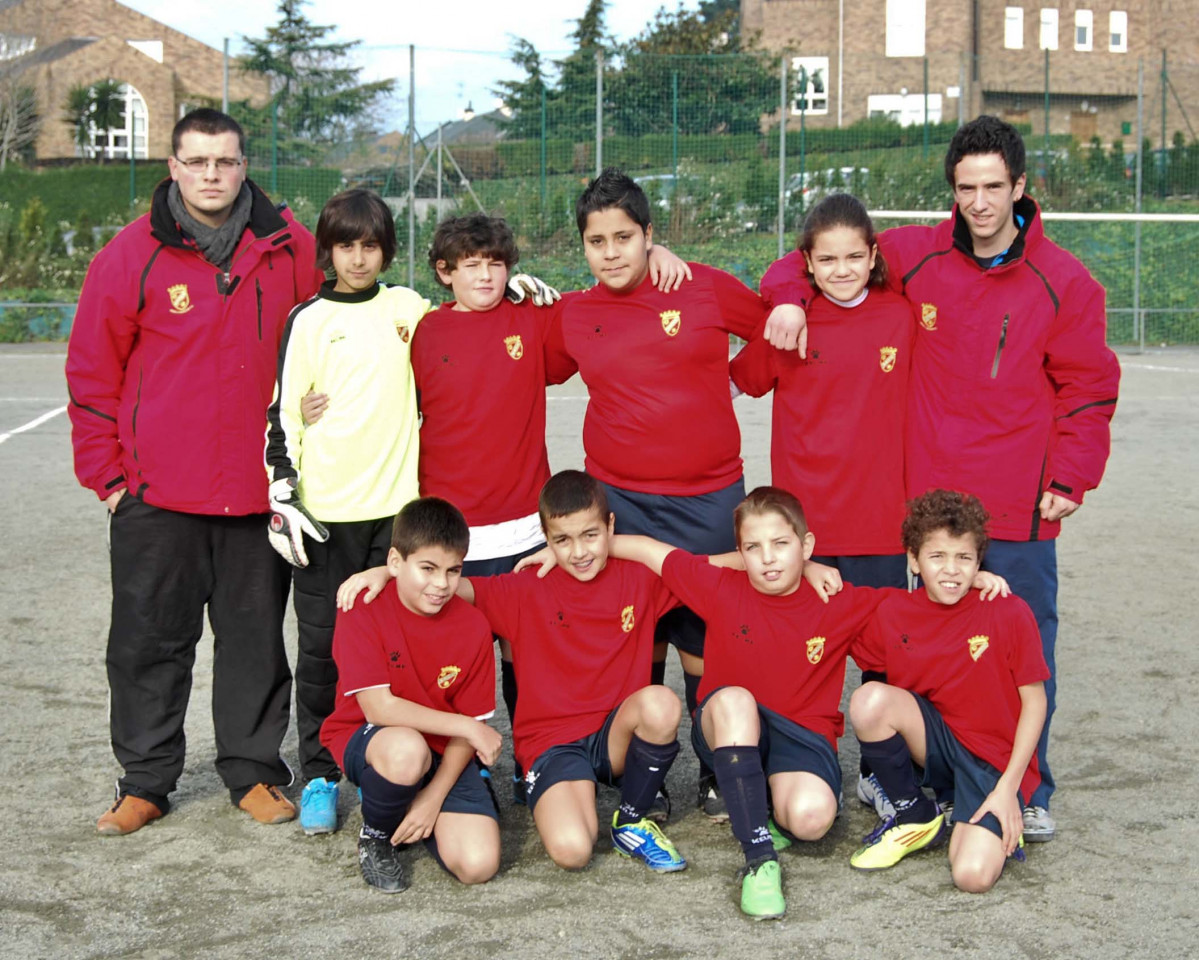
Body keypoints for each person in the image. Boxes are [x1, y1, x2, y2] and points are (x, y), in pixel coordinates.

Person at [760, 116, 1121, 841]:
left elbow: (1087, 386)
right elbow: (812, 258)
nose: (980, 203)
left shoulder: (1066, 282)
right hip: (925, 505)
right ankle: (918, 778)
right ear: (950, 192)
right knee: (924, 647)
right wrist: (785, 298)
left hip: (1018, 501)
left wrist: (1071, 475)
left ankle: (1028, 787)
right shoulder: (913, 255)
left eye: (993, 187)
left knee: (1020, 650)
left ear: (1020, 188)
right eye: (965, 188)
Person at [66, 108, 322, 835]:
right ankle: (146, 781)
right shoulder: (129, 254)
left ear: (245, 167)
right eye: (197, 162)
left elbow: (345, 318)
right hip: (156, 497)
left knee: (253, 642)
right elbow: (91, 371)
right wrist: (110, 479)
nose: (212, 175)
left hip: (254, 493)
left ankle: (253, 772)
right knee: (148, 644)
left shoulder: (290, 247)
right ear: (173, 167)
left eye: (226, 162)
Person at [602, 487, 1008, 919]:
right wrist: (575, 550)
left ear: (806, 546)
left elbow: (921, 600)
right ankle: (759, 861)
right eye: (753, 548)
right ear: (739, 553)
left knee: (812, 821)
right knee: (737, 701)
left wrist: (967, 578)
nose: (768, 558)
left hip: (803, 735)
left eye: (782, 545)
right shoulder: (719, 585)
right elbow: (646, 549)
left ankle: (765, 802)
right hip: (728, 723)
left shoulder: (838, 601)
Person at [410, 213, 687, 806]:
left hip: (519, 530)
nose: (485, 275)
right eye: (470, 264)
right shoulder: (420, 332)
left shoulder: (534, 319)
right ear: (444, 272)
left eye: (495, 262)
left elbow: (602, 308)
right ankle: (465, 766)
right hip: (453, 533)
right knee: (456, 654)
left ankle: (527, 761)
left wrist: (654, 251)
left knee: (522, 656)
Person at [562, 168, 802, 820]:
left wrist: (734, 382)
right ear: (582, 247)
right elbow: (523, 352)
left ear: (648, 236)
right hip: (621, 501)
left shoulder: (699, 286)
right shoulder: (575, 314)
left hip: (707, 501)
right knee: (636, 643)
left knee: (709, 643)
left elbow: (777, 326)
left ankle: (719, 771)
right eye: (596, 240)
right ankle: (645, 773)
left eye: (624, 237)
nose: (610, 252)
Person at [340, 471, 690, 872]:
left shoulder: (639, 577)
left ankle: (631, 820)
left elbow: (713, 572)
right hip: (553, 743)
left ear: (609, 528)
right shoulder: (523, 589)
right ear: (545, 537)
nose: (578, 552)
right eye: (562, 540)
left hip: (613, 736)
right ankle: (396, 820)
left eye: (590, 536)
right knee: (573, 851)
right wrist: (386, 571)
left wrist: (630, 546)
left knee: (661, 703)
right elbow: (447, 585)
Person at [731, 194, 915, 819]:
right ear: (806, 262)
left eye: (853, 257)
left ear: (873, 257)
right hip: (803, 531)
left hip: (883, 522)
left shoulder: (902, 316)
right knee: (794, 654)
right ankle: (780, 762)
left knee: (884, 658)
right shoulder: (791, 321)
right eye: (826, 259)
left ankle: (879, 773)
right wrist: (781, 308)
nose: (841, 270)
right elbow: (743, 378)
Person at [263, 188, 430, 836]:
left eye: (369, 245)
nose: (358, 258)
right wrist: (285, 497)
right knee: (322, 653)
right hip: (327, 514)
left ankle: (405, 763)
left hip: (396, 517)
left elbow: (469, 326)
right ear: (327, 250)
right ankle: (320, 775)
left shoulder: (408, 309)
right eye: (345, 246)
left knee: (402, 649)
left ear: (384, 248)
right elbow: (284, 415)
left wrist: (518, 293)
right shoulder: (307, 320)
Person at [848, 490, 1048, 893]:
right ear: (913, 559)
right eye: (937, 557)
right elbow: (818, 610)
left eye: (964, 558)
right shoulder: (892, 611)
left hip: (994, 764)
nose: (951, 571)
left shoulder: (1008, 611)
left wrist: (1009, 788)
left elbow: (1036, 702)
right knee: (869, 700)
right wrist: (815, 571)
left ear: (979, 562)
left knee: (971, 876)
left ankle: (994, 810)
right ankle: (915, 813)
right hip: (939, 746)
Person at [320, 497, 501, 893]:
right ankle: (376, 836)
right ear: (395, 562)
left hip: (442, 749)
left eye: (453, 571)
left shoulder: (472, 626)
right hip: (372, 735)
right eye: (428, 568)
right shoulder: (362, 606)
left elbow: (464, 733)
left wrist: (433, 799)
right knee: (407, 751)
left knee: (479, 864)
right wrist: (469, 728)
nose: (441, 584)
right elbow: (378, 708)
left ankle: (414, 804)